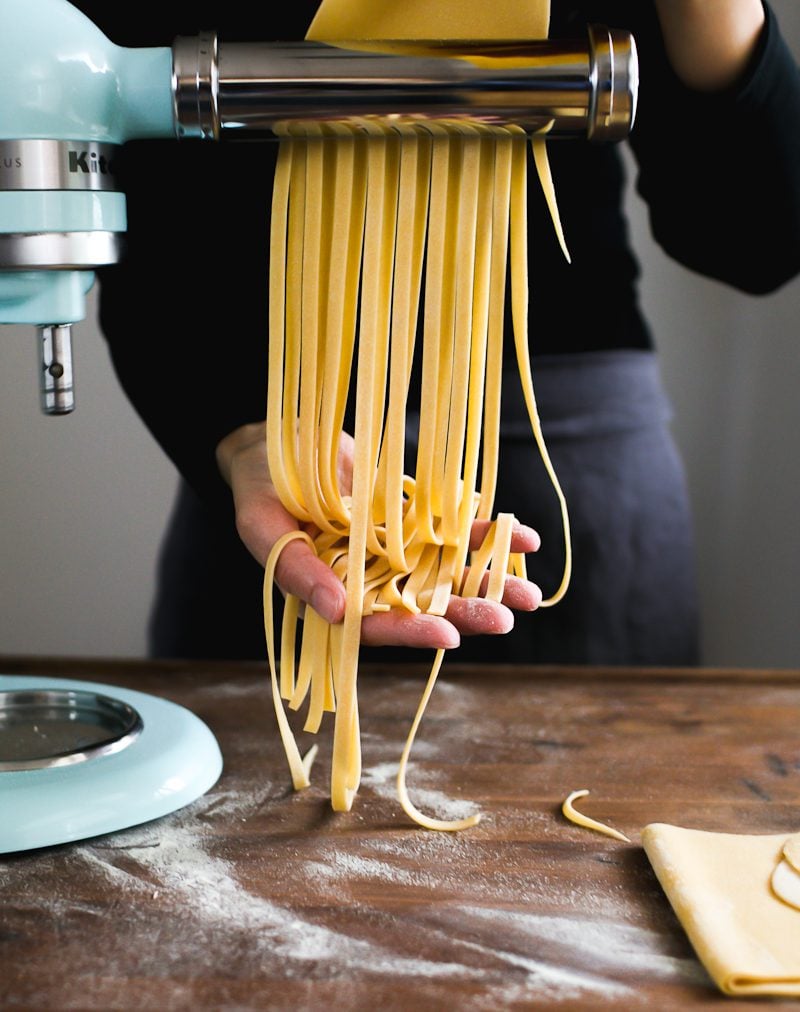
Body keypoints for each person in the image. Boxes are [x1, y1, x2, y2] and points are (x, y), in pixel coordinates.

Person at [75, 1, 800, 664]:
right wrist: (241, 435)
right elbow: (126, 178)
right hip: (271, 445)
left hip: (570, 442)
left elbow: (757, 237)